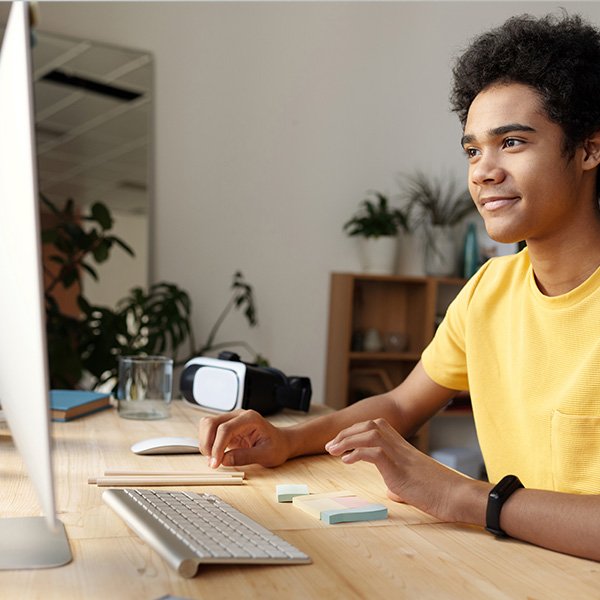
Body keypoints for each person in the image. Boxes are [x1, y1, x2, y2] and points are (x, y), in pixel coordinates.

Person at [198, 12, 600, 562]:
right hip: (521, 567)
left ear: (588, 150)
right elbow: (400, 403)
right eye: (472, 150)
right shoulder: (490, 288)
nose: (483, 171)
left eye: (511, 142)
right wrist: (287, 440)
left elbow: (461, 492)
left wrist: (463, 496)